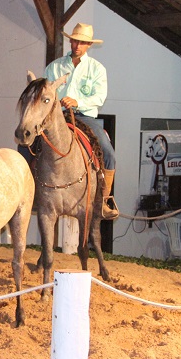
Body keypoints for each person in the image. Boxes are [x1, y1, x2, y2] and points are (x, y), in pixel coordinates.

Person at [43, 22, 118, 220]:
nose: (77, 45)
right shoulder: (54, 67)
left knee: (107, 152)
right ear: (70, 41)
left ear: (89, 45)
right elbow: (45, 92)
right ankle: (27, 189)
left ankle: (103, 200)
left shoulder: (97, 69)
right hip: (57, 116)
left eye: (82, 42)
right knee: (29, 140)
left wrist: (78, 101)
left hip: (84, 117)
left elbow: (99, 98)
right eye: (75, 41)